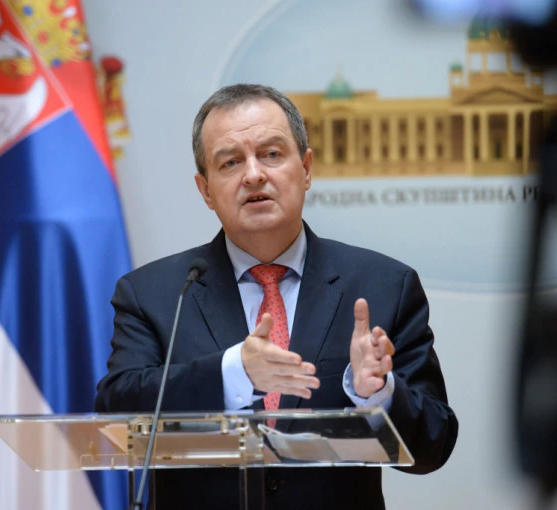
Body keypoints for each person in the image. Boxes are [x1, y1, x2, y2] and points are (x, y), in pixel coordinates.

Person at [95, 84, 458, 509]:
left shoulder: (383, 285)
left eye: (271, 154)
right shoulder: (155, 293)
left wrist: (378, 395)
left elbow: (434, 444)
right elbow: (117, 413)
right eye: (230, 162)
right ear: (205, 190)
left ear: (306, 169)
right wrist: (233, 372)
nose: (253, 175)